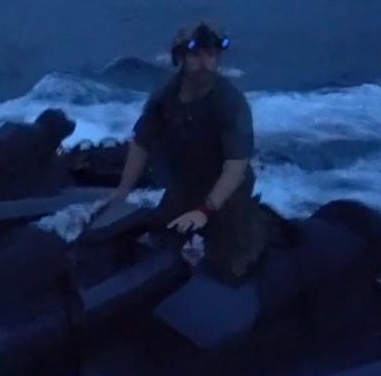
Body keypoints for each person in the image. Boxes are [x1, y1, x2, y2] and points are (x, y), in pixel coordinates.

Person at [100, 22, 271, 284]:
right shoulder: (165, 97)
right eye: (196, 55)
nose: (204, 62)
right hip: (185, 188)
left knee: (229, 270)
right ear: (180, 57)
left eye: (211, 55)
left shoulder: (230, 102)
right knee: (157, 246)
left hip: (228, 194)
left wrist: (205, 210)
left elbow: (236, 166)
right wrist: (121, 192)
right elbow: (141, 143)